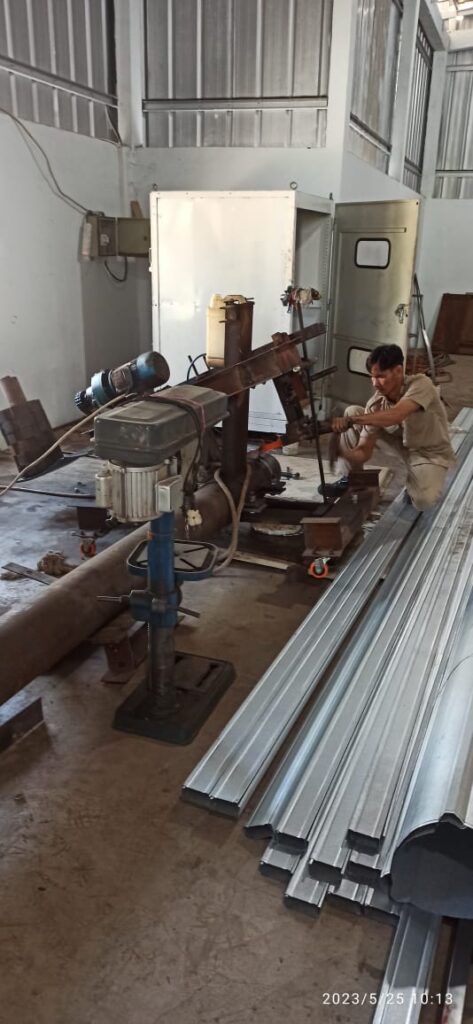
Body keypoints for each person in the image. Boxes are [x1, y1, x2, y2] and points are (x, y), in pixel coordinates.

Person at [326, 344, 455, 511]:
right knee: (353, 411)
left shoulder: (421, 384)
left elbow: (397, 414)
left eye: (380, 376)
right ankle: (350, 480)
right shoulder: (375, 403)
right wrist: (343, 452)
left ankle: (416, 482)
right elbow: (364, 451)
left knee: (423, 502)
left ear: (398, 371)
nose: (375, 383)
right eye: (372, 377)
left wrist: (351, 420)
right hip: (400, 445)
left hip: (428, 453)